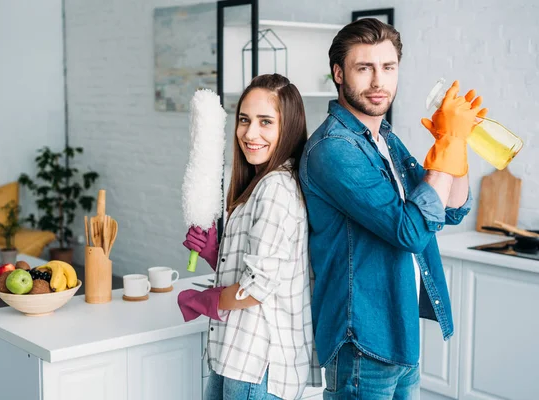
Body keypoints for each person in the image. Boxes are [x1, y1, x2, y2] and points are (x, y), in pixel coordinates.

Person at [298, 18, 487, 399]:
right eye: (364, 68)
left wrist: (457, 146)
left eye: (388, 67)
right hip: (363, 340)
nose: (378, 81)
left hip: (400, 332)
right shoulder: (334, 150)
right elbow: (411, 230)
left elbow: (452, 207)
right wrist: (446, 146)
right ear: (338, 74)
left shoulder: (384, 138)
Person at [178, 73, 321, 400]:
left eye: (265, 122)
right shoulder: (260, 183)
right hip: (236, 355)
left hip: (258, 365)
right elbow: (268, 270)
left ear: (289, 127)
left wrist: (206, 301)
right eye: (244, 120)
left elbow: (256, 290)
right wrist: (217, 253)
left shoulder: (274, 189)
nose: (250, 133)